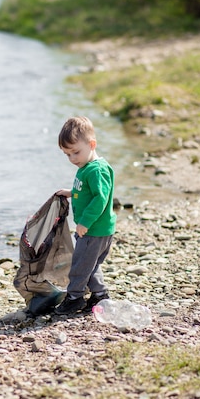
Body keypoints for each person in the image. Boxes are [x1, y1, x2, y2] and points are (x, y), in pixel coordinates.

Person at [54, 116, 116, 315]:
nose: (73, 158)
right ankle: (100, 296)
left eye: (76, 152)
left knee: (80, 266)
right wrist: (71, 193)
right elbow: (88, 192)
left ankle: (74, 298)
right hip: (95, 230)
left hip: (94, 230)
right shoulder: (86, 167)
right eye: (67, 155)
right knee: (90, 264)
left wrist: (85, 223)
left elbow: (101, 198)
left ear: (92, 144)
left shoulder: (96, 170)